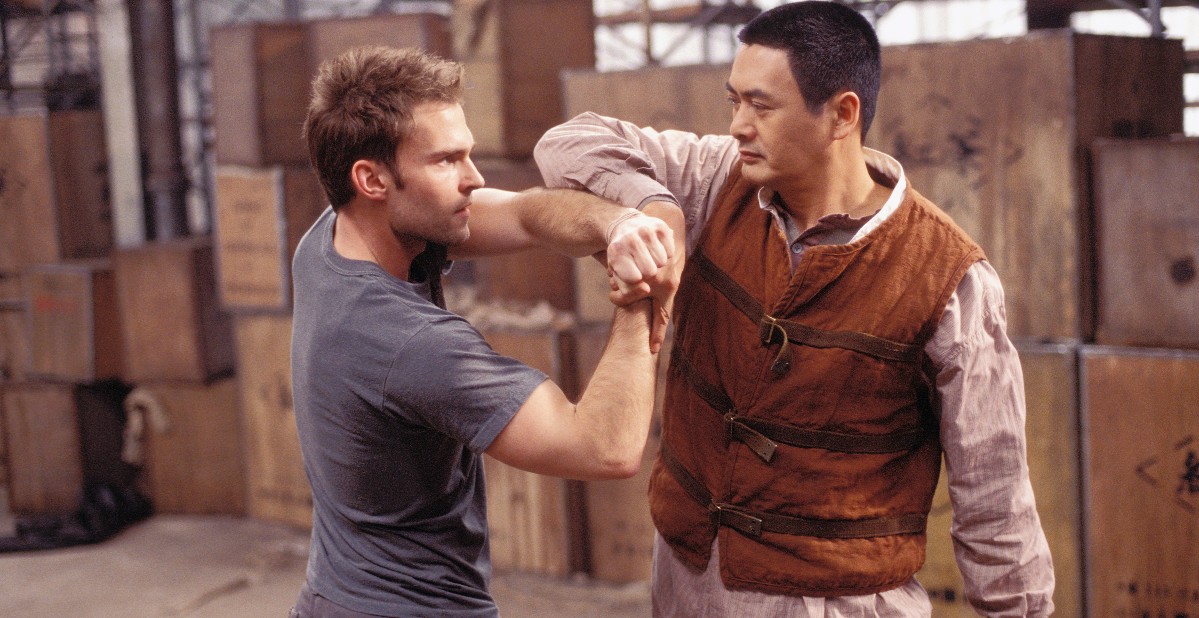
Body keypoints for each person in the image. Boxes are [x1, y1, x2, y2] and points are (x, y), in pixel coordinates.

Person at [534, 2, 1055, 616]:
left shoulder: (950, 279)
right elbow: (565, 144)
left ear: (842, 114)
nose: (738, 126)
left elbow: (994, 494)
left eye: (761, 106)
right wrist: (654, 206)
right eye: (734, 101)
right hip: (688, 575)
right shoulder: (717, 178)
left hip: (835, 601)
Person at [289, 45, 684, 617]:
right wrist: (641, 288)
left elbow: (525, 214)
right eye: (446, 161)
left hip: (333, 595)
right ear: (371, 178)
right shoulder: (408, 341)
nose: (473, 179)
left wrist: (620, 224)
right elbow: (604, 448)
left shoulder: (331, 236)